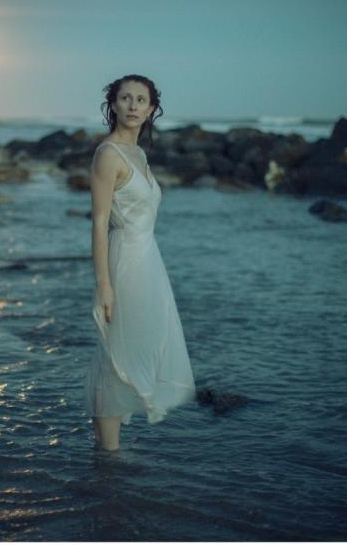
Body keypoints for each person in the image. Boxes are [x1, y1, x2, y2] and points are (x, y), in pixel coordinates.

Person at [84, 74, 197, 451]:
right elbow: (100, 221)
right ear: (113, 104)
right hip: (124, 262)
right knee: (116, 352)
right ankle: (109, 455)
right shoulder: (107, 154)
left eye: (141, 100)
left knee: (132, 347)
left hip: (148, 261)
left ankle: (107, 452)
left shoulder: (139, 154)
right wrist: (104, 285)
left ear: (151, 109)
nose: (133, 106)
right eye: (126, 98)